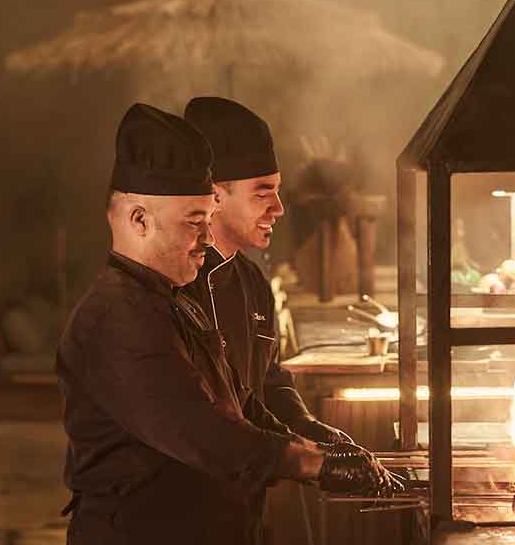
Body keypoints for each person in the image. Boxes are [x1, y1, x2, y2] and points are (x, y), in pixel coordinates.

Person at [56, 103, 400, 545]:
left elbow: (246, 401)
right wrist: (314, 464)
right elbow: (206, 433)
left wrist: (316, 439)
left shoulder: (172, 298)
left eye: (206, 219)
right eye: (194, 222)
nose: (205, 237)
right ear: (139, 220)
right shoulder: (118, 317)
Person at [182, 96, 354, 445]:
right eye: (263, 194)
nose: (278, 209)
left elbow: (270, 380)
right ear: (214, 196)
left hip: (245, 487)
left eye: (278, 192)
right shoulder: (176, 285)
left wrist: (311, 429)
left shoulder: (253, 281)